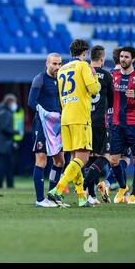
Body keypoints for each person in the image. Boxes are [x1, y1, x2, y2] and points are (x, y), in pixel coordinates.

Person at [47, 39, 99, 207]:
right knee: (83, 158)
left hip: (66, 117)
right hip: (80, 116)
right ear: (85, 52)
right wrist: (94, 75)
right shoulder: (83, 66)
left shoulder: (62, 69)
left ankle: (81, 197)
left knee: (74, 159)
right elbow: (94, 89)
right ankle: (57, 190)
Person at [109, 46, 135, 204]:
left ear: (133, 59)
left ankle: (134, 194)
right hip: (116, 124)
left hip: (134, 124)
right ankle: (123, 188)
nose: (123, 59)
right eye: (121, 56)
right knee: (113, 160)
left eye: (126, 57)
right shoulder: (113, 75)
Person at [28, 53, 65, 207]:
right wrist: (46, 114)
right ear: (47, 63)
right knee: (41, 160)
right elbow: (31, 102)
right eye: (54, 64)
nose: (57, 67)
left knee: (60, 160)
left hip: (59, 126)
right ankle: (39, 199)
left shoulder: (62, 80)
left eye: (59, 64)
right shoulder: (40, 79)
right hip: (43, 125)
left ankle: (52, 196)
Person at [82, 45, 113, 205]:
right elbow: (111, 102)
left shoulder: (84, 72)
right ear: (102, 58)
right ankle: (86, 183)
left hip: (85, 120)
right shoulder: (107, 76)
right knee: (105, 157)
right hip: (100, 122)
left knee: (89, 158)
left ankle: (91, 196)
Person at [0, 94, 17, 189]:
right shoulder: (5, 113)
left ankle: (7, 184)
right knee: (4, 166)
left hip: (1, 144)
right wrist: (14, 131)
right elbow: (4, 127)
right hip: (4, 144)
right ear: (10, 102)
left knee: (6, 165)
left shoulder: (1, 111)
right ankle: (1, 184)